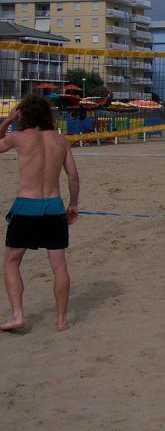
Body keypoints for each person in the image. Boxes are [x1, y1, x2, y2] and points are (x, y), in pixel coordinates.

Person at [0, 96, 79, 332]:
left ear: (24, 114)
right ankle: (61, 321)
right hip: (54, 207)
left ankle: (17, 315)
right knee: (59, 266)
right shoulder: (61, 140)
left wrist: (7, 121)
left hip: (26, 206)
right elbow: (73, 176)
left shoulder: (18, 137)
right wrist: (73, 205)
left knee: (12, 262)